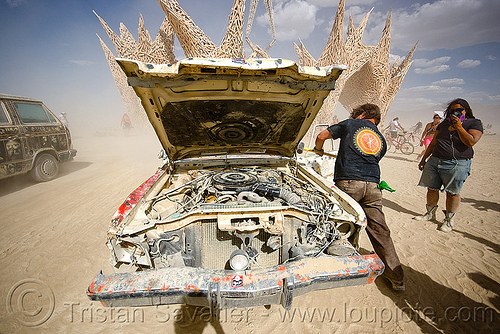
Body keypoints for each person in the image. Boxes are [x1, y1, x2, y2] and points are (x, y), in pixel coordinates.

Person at [314, 103, 405, 290]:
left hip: (348, 183)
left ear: (362, 114)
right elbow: (371, 158)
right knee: (380, 230)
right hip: (373, 186)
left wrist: (318, 150)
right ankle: (396, 278)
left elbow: (321, 136)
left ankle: (332, 269)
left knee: (335, 222)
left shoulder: (350, 124)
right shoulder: (380, 138)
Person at [414, 98, 483, 232]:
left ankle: (449, 220)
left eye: (458, 110)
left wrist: (459, 127)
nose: (455, 113)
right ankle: (430, 213)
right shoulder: (444, 124)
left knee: (452, 192)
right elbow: (434, 143)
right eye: (452, 111)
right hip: (435, 160)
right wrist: (424, 159)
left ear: (465, 110)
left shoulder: (474, 123)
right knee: (431, 188)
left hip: (457, 163)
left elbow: (471, 142)